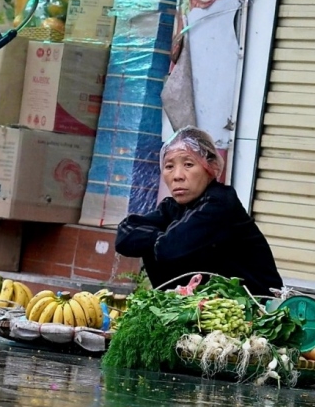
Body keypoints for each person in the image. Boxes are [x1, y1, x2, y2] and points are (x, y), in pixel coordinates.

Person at [115, 126, 283, 297]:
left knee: (171, 249)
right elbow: (124, 234)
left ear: (211, 167)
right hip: (203, 305)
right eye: (169, 166)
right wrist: (159, 239)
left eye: (188, 164)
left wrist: (157, 240)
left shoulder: (220, 203)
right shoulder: (172, 207)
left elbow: (170, 249)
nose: (177, 176)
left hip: (253, 305)